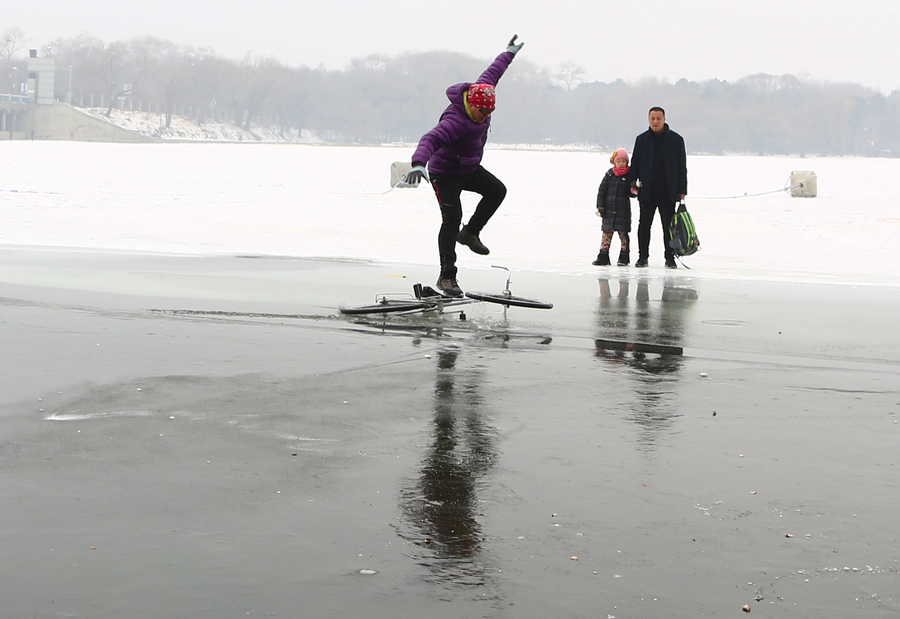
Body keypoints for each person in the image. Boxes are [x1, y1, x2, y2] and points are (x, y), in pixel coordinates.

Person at [403, 35, 525, 297]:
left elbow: (494, 71)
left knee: (497, 191)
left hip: (468, 168)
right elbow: (430, 139)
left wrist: (509, 53)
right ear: (471, 104)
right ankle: (447, 277)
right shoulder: (455, 122)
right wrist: (418, 163)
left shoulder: (482, 92)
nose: (486, 117)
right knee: (451, 219)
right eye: (483, 112)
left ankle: (470, 233)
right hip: (444, 173)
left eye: (490, 113)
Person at [630, 107, 687, 268]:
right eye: (653, 118)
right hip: (647, 191)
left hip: (668, 191)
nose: (655, 121)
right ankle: (643, 257)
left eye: (658, 118)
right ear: (648, 119)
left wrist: (682, 190)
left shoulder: (676, 140)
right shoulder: (642, 140)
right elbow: (635, 164)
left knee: (668, 227)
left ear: (664, 119)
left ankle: (670, 258)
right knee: (644, 225)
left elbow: (681, 166)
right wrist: (632, 184)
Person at [592, 148, 634, 267]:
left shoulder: (629, 175)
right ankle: (603, 256)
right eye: (618, 161)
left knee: (623, 235)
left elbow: (632, 194)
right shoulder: (609, 174)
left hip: (623, 211)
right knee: (607, 234)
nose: (621, 164)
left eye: (623, 161)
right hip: (609, 211)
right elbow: (602, 191)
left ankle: (624, 257)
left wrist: (635, 188)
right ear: (614, 162)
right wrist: (600, 206)